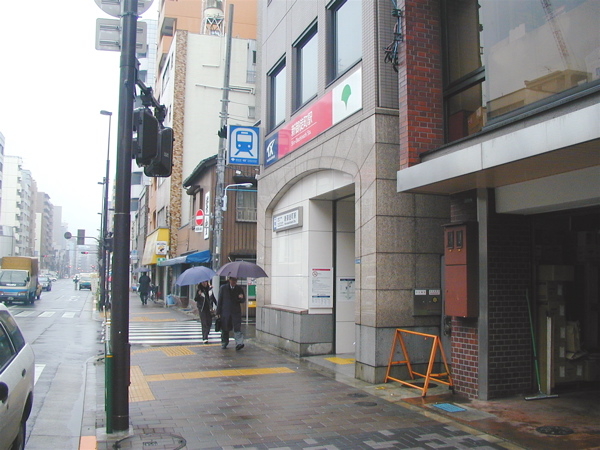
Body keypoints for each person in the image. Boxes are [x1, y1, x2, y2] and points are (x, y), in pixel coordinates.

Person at [216, 276, 245, 350]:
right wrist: (218, 312)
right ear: (229, 280)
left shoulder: (239, 289)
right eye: (233, 280)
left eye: (235, 280)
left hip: (236, 312)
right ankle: (224, 342)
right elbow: (220, 300)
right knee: (225, 328)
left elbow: (243, 300)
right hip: (225, 312)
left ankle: (239, 343)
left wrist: (241, 298)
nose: (234, 282)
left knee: (237, 328)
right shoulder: (223, 288)